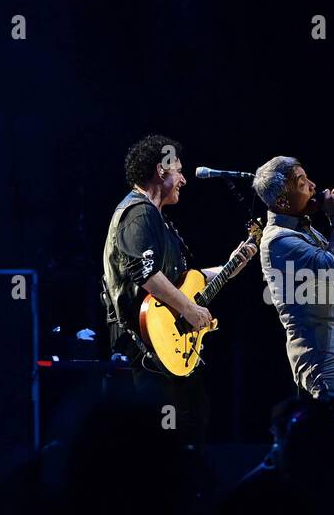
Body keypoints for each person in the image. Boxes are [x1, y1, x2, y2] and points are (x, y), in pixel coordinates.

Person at [102, 134, 255, 449]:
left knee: (191, 422)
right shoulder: (138, 212)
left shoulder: (156, 218)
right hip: (144, 345)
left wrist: (231, 264)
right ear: (161, 171)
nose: (184, 179)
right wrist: (189, 309)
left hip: (163, 346)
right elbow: (141, 271)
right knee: (165, 439)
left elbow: (183, 280)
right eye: (178, 171)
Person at [252, 156, 334, 412]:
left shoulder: (306, 230)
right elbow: (330, 266)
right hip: (320, 349)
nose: (313, 185)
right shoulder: (278, 240)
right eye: (302, 182)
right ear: (281, 201)